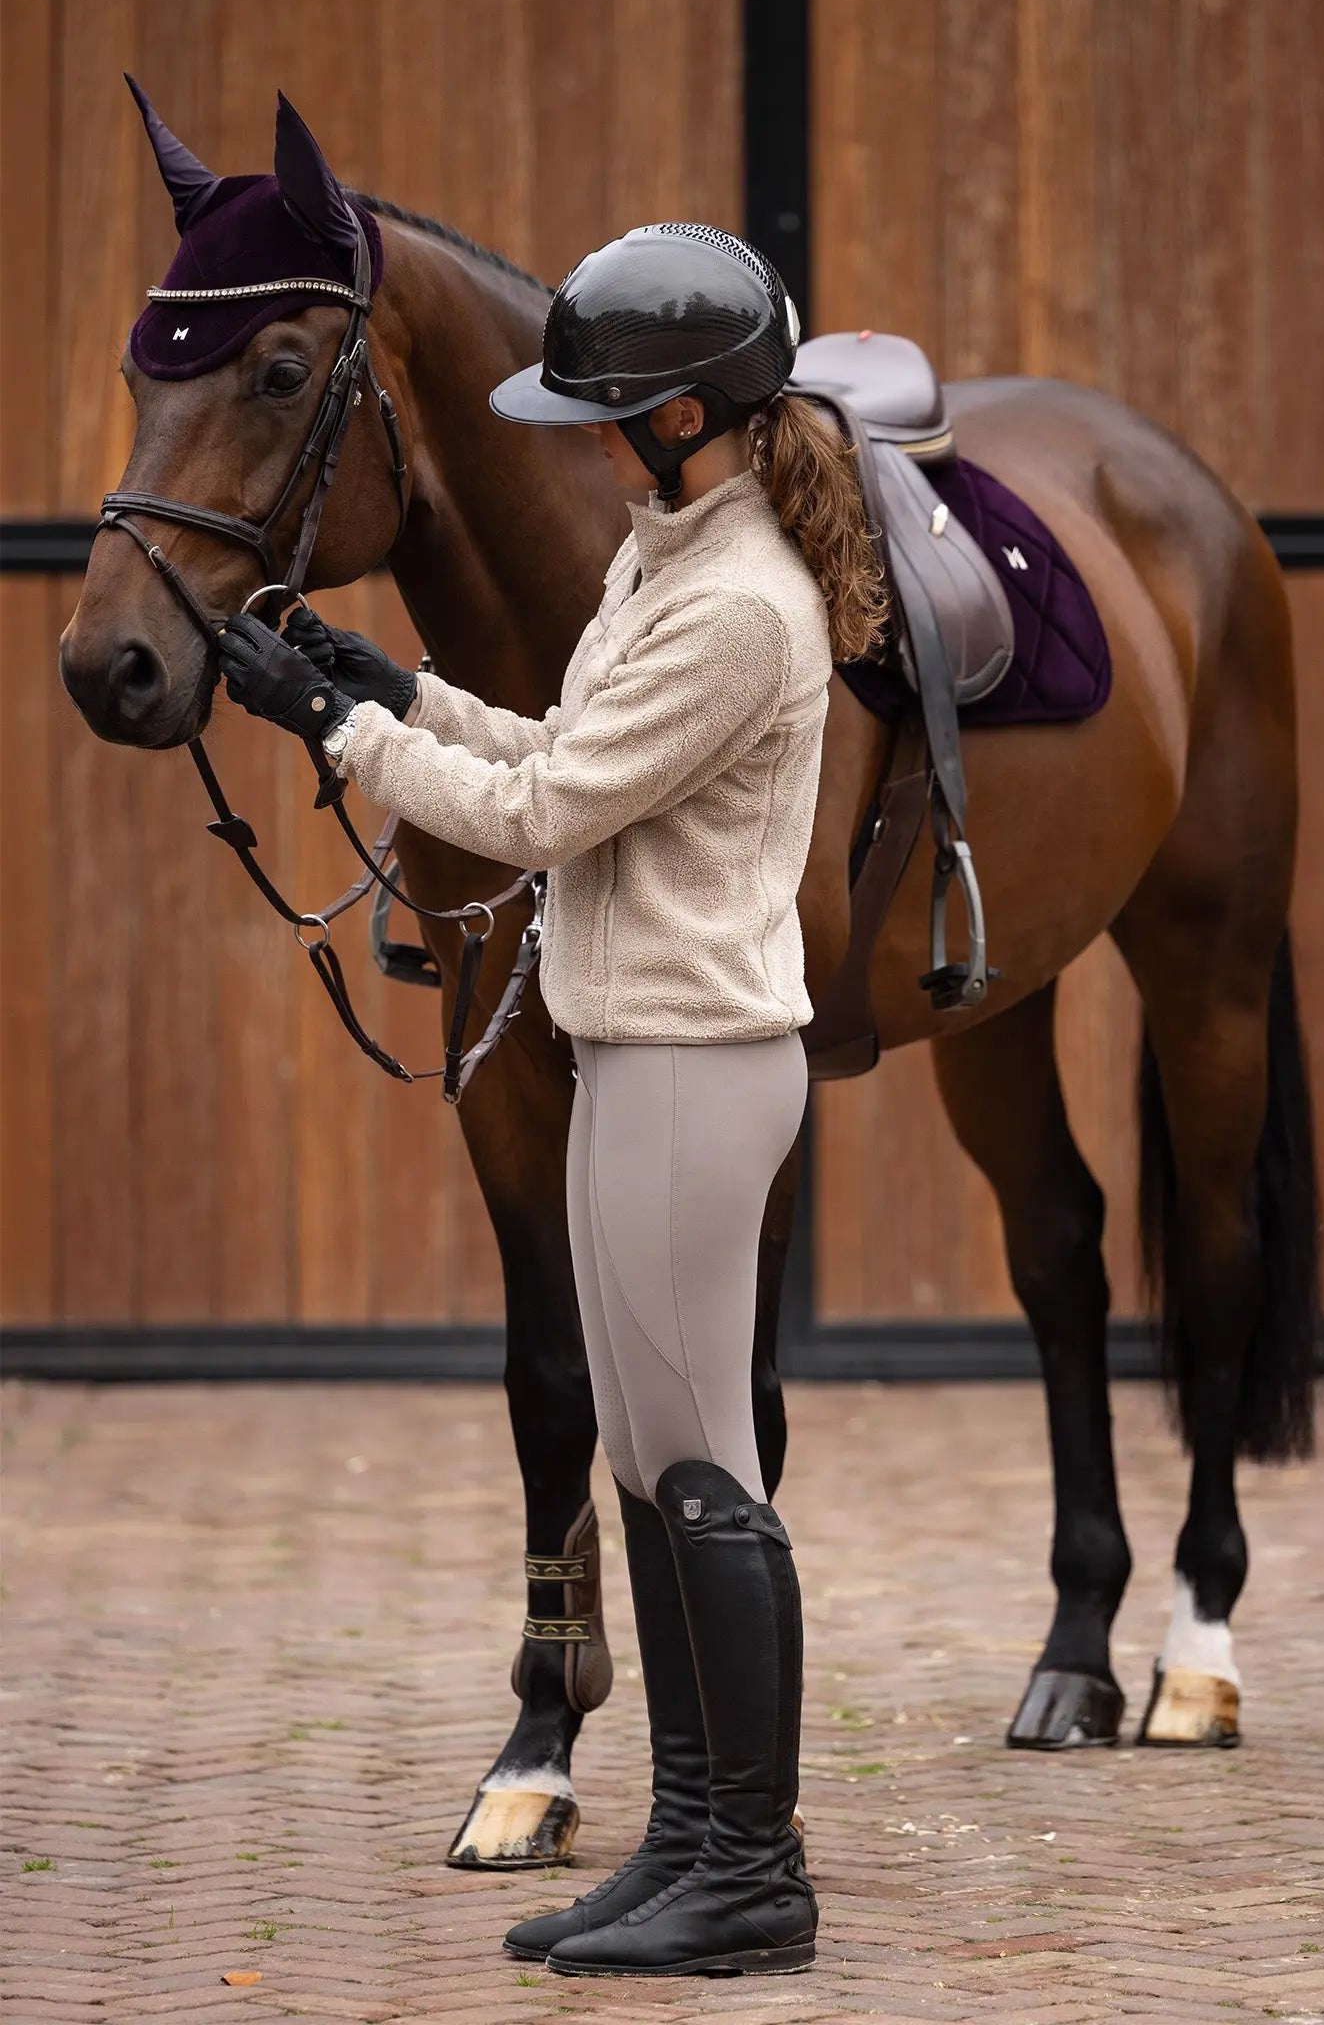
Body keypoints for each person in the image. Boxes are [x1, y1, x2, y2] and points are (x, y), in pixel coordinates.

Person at [215, 223, 886, 1979]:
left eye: (606, 416)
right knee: (659, 1471)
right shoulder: (665, 564)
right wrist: (402, 689)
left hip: (687, 1062)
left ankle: (753, 1870)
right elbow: (558, 749)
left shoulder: (742, 603)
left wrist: (338, 736)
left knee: (701, 1473)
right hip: (630, 1055)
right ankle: (687, 1839)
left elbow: (544, 820)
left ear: (680, 416)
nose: (583, 442)